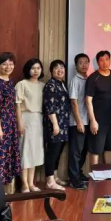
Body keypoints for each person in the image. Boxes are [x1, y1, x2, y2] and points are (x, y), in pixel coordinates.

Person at [0, 52, 22, 192]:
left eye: (11, 64)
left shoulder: (9, 81)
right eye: (4, 64)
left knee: (9, 154)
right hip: (1, 122)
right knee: (0, 155)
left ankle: (8, 190)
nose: (8, 67)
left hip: (10, 122)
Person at [15, 58, 45, 192]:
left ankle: (31, 183)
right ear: (28, 70)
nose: (35, 71)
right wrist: (20, 122)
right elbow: (17, 105)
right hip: (26, 118)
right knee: (25, 151)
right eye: (33, 68)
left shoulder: (43, 85)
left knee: (34, 152)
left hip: (38, 120)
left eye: (38, 68)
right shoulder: (22, 84)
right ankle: (24, 184)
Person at [86, 50, 111, 167]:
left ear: (110, 60)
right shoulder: (93, 78)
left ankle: (107, 173)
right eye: (101, 60)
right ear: (97, 62)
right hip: (98, 120)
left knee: (109, 147)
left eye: (107, 59)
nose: (105, 62)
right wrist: (93, 120)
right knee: (96, 149)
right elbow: (88, 101)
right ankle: (94, 175)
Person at [43, 59, 70, 190]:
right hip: (55, 124)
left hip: (63, 123)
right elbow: (50, 107)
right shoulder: (51, 85)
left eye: (62, 67)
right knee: (52, 152)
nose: (60, 70)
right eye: (56, 68)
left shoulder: (62, 83)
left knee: (58, 151)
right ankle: (49, 181)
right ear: (51, 71)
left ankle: (55, 177)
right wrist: (55, 124)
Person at [68, 53, 90, 190]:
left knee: (84, 150)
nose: (84, 65)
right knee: (76, 152)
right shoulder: (75, 80)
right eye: (80, 63)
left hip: (87, 121)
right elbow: (74, 103)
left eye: (86, 62)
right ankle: (74, 179)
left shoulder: (89, 79)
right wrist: (79, 121)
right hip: (77, 122)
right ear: (76, 66)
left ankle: (79, 174)